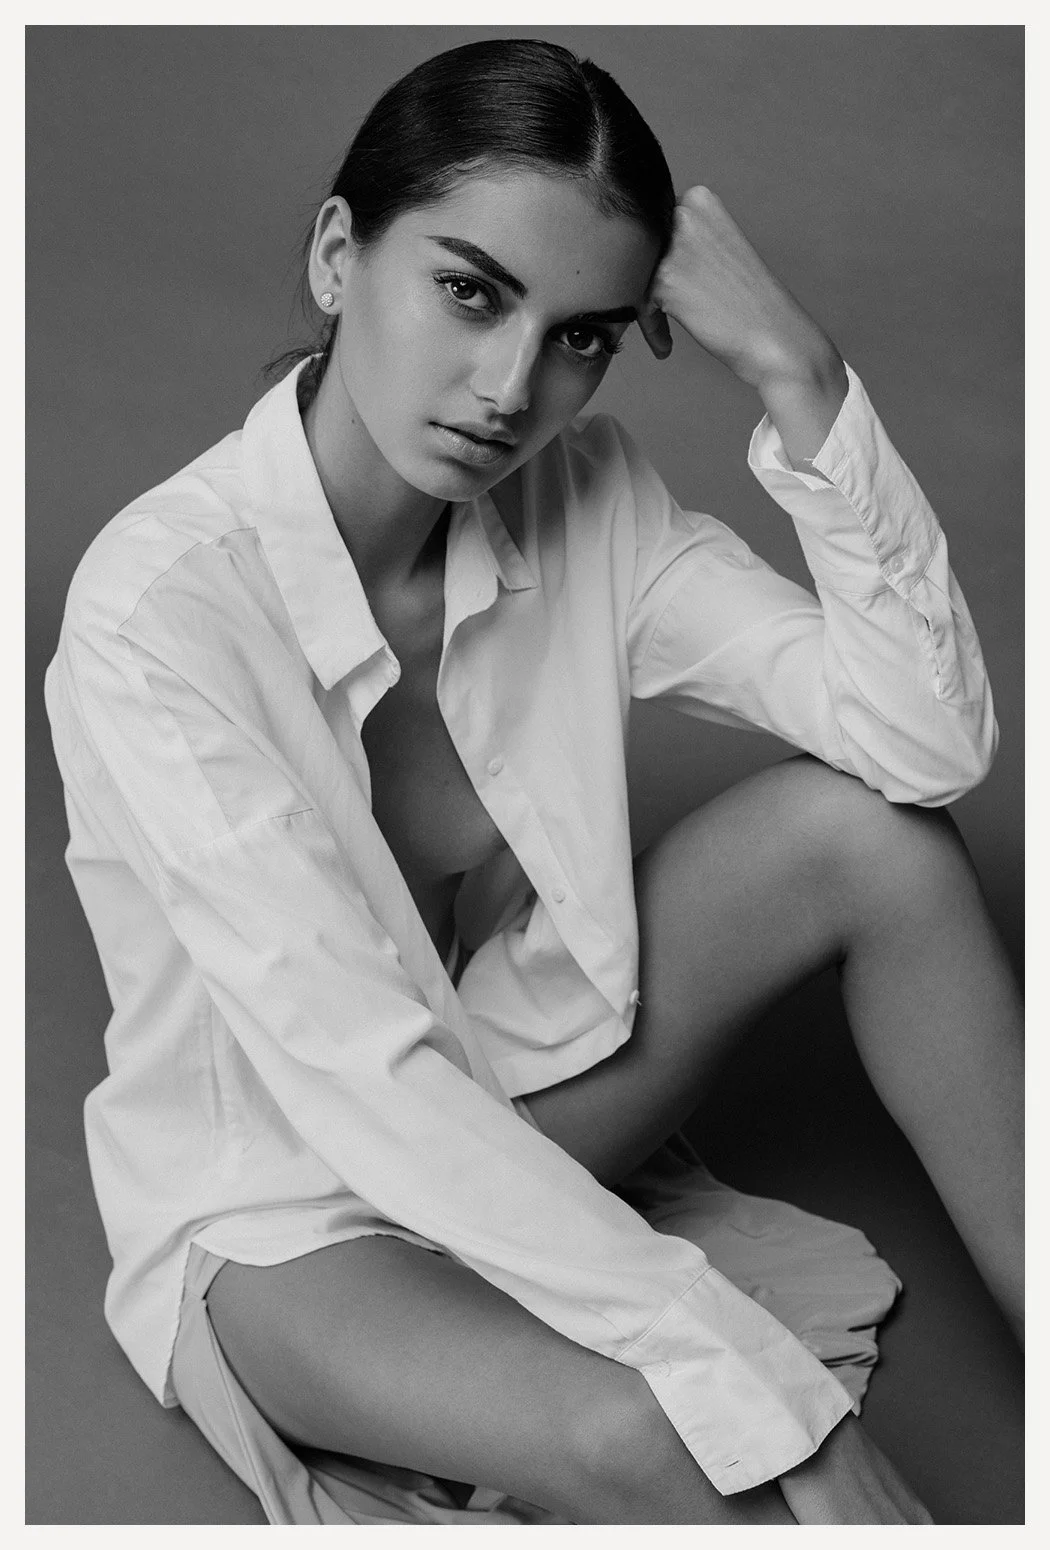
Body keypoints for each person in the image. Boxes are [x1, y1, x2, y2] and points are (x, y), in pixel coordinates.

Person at [45, 37, 1022, 1526]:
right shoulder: (156, 611)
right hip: (297, 1208)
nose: (512, 387)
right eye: (469, 290)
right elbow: (358, 1077)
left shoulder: (586, 497)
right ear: (335, 254)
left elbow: (919, 741)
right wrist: (761, 1393)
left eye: (582, 334)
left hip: (510, 1093)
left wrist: (800, 374)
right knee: (674, 1433)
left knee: (872, 834)